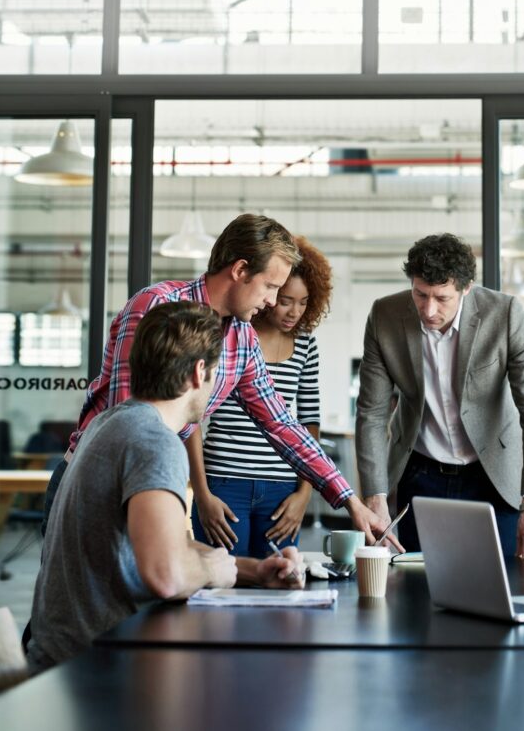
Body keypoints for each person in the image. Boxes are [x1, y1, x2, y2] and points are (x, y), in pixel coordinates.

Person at [43, 214, 392, 546]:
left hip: (152, 486)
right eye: (270, 286)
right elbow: (128, 419)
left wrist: (350, 501)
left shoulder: (242, 338)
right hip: (96, 483)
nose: (272, 301)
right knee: (76, 605)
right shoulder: (157, 306)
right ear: (240, 270)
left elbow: (281, 423)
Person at [26, 302, 303, 673]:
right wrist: (212, 573)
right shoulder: (155, 442)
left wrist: (253, 570)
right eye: (216, 372)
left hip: (67, 658)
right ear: (198, 372)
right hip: (96, 672)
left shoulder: (110, 423)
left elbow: (160, 542)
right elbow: (166, 575)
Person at [355, 232, 524, 560]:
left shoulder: (504, 315)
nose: (429, 309)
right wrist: (374, 496)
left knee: (501, 587)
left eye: (442, 297)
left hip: (493, 475)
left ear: (465, 289)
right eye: (420, 294)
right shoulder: (385, 316)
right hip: (421, 474)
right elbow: (372, 413)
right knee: (417, 588)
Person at [191, 236, 332, 555]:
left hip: (282, 491)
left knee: (281, 587)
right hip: (224, 483)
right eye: (285, 299)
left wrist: (304, 495)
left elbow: (308, 421)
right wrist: (201, 493)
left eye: (304, 301)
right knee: (220, 587)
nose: (294, 311)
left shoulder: (306, 345)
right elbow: (193, 417)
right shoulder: (232, 334)